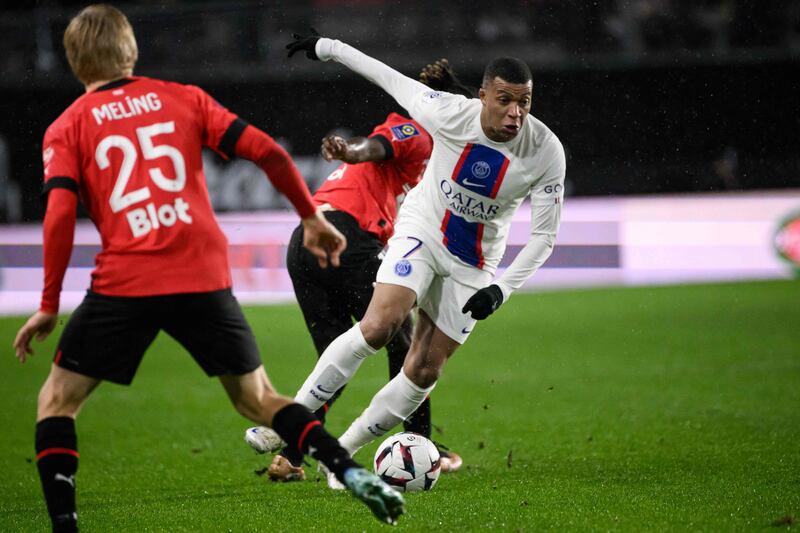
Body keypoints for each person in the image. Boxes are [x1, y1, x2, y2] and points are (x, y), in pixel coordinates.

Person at [11, 6, 404, 531]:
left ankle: (64, 525)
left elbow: (59, 214)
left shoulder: (67, 127)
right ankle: (349, 471)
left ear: (74, 62)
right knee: (258, 399)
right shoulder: (183, 98)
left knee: (57, 400)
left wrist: (46, 305)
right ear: (131, 52)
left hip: (126, 278)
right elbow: (267, 152)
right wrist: (310, 217)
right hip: (201, 273)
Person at [280, 31, 566, 489]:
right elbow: (384, 74)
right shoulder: (447, 111)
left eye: (525, 102)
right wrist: (326, 46)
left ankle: (345, 452)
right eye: (506, 100)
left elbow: (544, 237)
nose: (516, 113)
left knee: (424, 369)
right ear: (483, 96)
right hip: (423, 231)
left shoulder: (546, 151)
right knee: (380, 326)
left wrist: (501, 288)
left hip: (475, 264)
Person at [245, 59, 471, 482]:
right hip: (345, 235)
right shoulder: (419, 133)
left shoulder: (440, 169)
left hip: (305, 243)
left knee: (338, 359)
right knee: (402, 333)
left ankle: (292, 455)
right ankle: (420, 444)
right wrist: (351, 151)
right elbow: (378, 145)